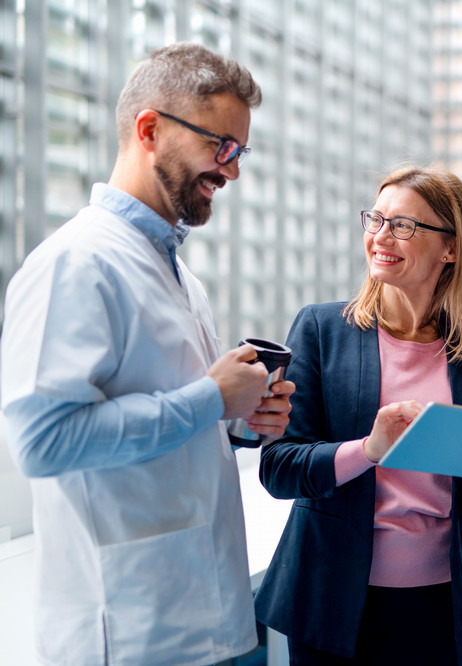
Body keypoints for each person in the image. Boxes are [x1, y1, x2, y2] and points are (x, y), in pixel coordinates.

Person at [0, 43, 295, 665]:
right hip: (128, 632)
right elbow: (43, 442)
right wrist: (209, 397)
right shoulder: (73, 265)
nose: (232, 170)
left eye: (240, 152)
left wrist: (241, 418)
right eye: (222, 147)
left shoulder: (182, 276)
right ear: (149, 129)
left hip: (201, 618)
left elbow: (174, 415)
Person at [252, 165, 462, 665]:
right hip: (332, 600)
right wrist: (369, 450)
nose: (381, 237)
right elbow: (279, 468)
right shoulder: (322, 330)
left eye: (404, 225)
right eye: (376, 220)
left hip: (437, 606)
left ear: (450, 247)